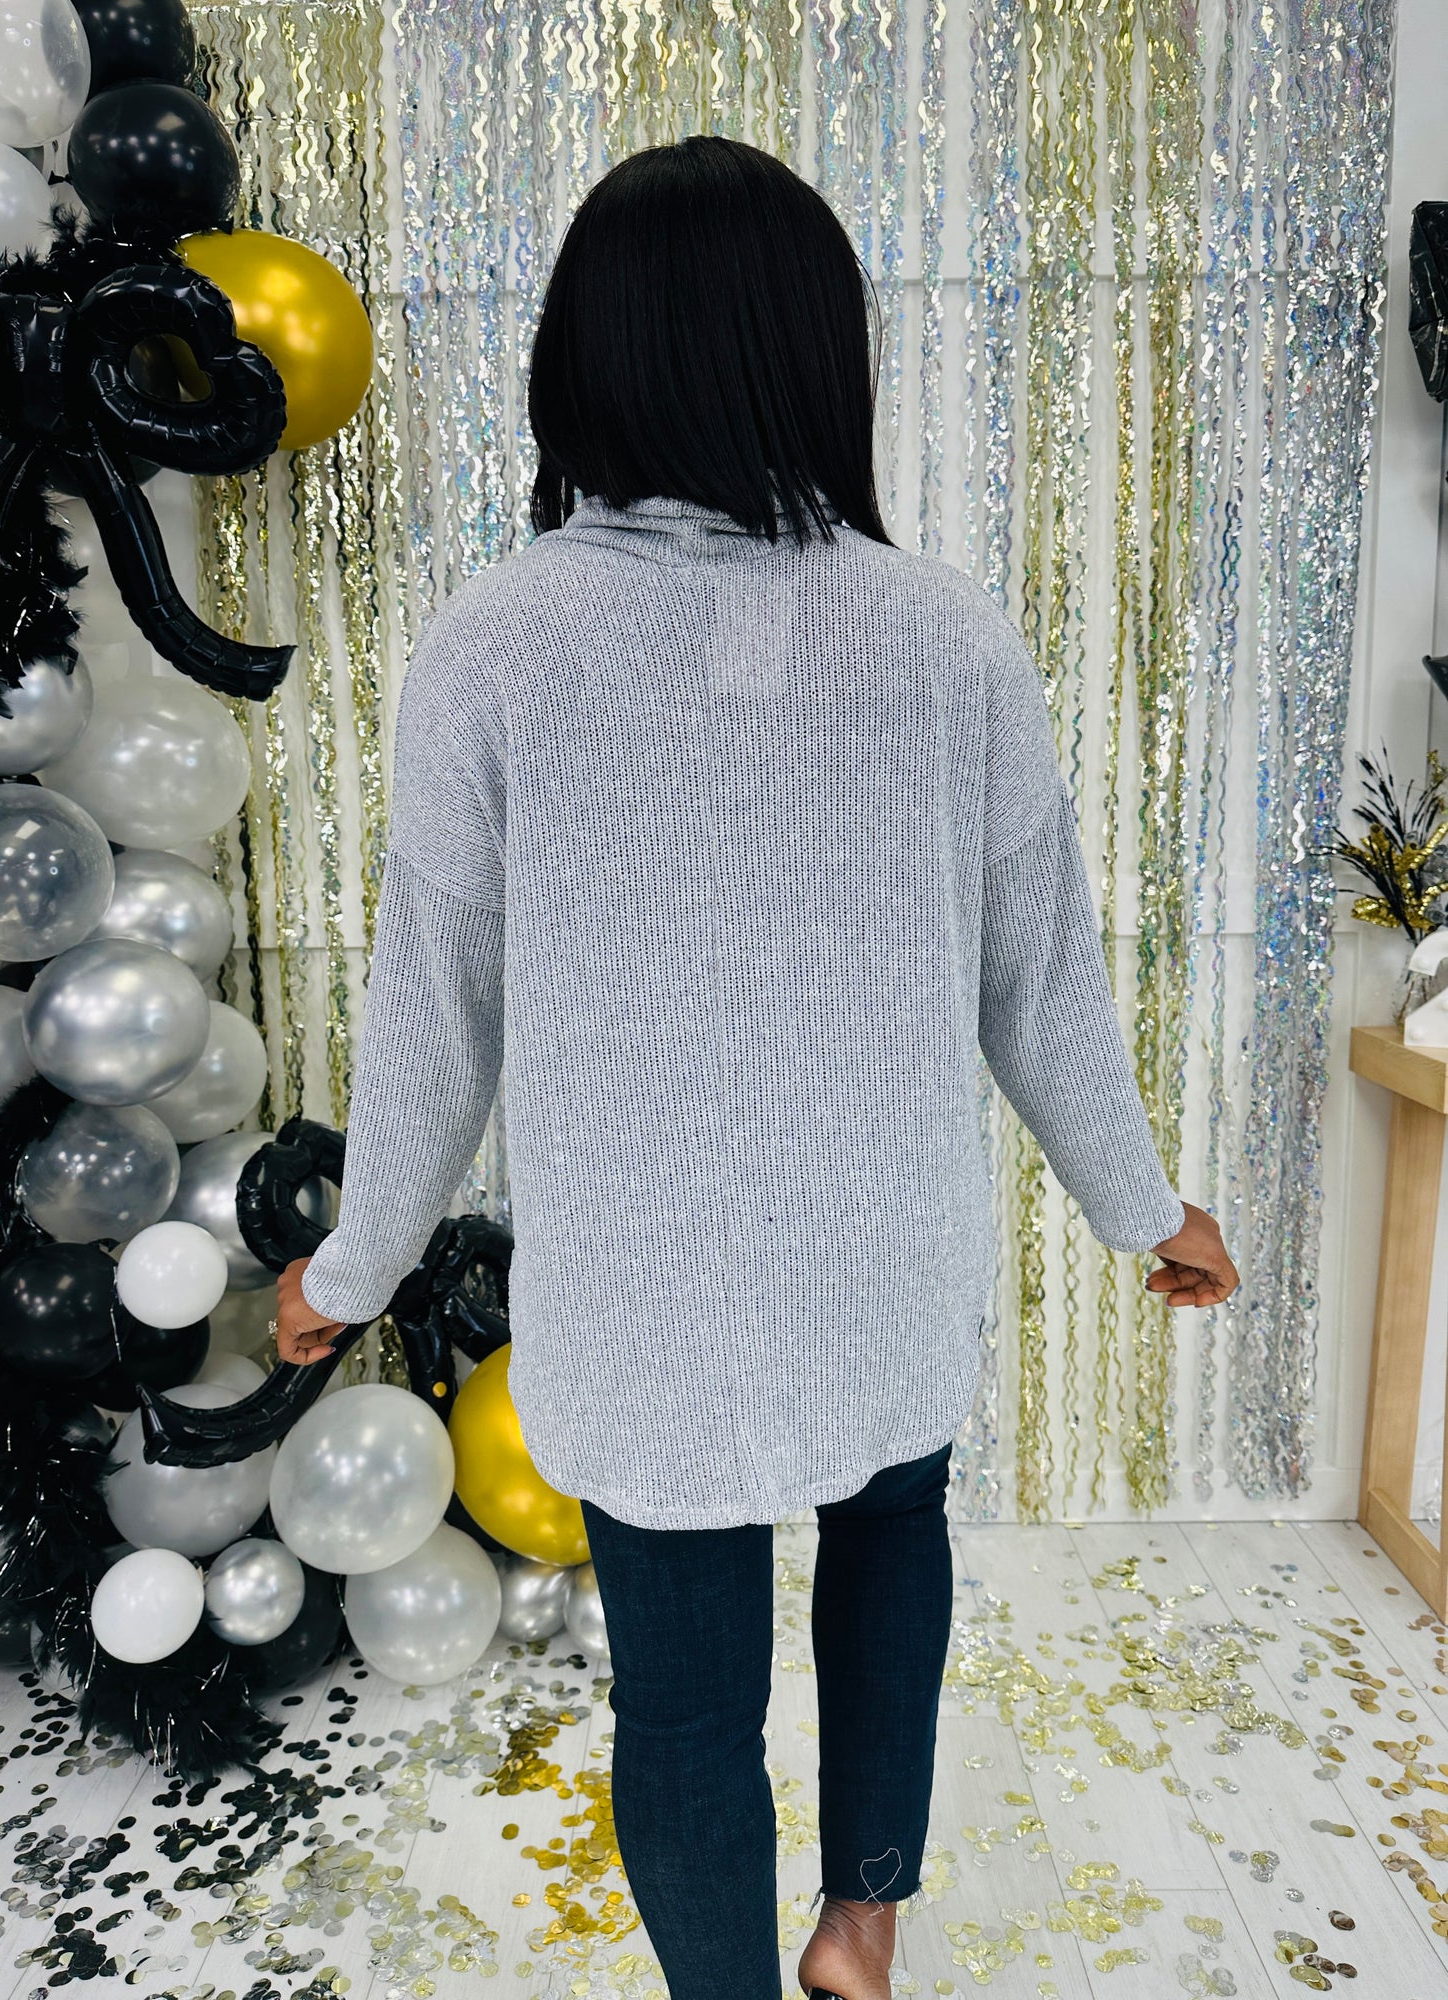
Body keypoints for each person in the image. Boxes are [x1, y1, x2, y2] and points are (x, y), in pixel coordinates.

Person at [276, 134, 1238, 2000]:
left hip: (644, 1294)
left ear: (581, 361)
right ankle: (861, 1926)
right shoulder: (947, 638)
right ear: (818, 354)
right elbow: (1039, 978)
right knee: (893, 1546)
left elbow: (435, 1015)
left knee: (686, 1706)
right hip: (882, 1258)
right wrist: (1149, 1209)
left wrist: (351, 1266)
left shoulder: (495, 648)